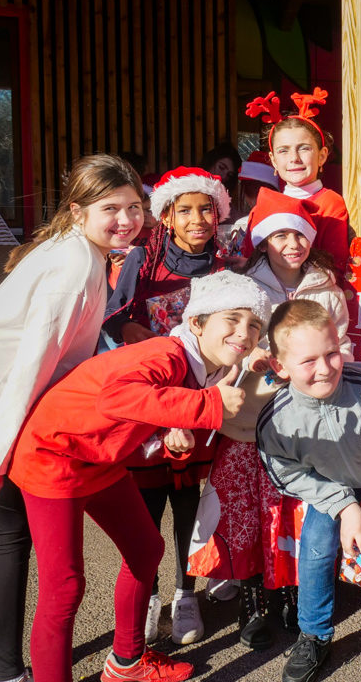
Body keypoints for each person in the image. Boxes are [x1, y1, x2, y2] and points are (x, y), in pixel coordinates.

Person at [0, 154, 144, 682]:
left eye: (135, 206)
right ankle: (5, 672)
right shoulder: (74, 265)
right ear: (78, 208)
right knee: (6, 535)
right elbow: (31, 367)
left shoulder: (78, 247)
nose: (127, 219)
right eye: (112, 208)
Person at [9, 271, 269, 682]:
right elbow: (116, 398)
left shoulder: (208, 366)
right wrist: (205, 405)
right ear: (197, 323)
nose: (245, 331)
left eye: (254, 324)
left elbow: (140, 418)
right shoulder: (166, 354)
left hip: (99, 458)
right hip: (53, 458)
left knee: (146, 549)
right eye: (232, 319)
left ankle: (126, 663)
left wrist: (171, 437)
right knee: (64, 588)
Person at [191, 189, 353, 650]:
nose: (291, 244)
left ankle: (293, 591)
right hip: (252, 408)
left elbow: (341, 342)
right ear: (263, 241)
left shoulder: (327, 285)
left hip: (306, 411)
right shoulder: (243, 284)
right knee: (248, 507)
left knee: (295, 506)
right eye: (279, 235)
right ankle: (254, 596)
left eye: (298, 234)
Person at [102, 165, 232, 645]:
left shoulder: (225, 266)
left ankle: (185, 593)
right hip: (150, 401)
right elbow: (114, 318)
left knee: (188, 504)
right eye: (186, 210)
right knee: (145, 505)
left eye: (207, 209)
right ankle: (148, 595)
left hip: (198, 397)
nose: (198, 219)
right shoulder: (141, 259)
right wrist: (130, 332)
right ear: (168, 216)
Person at [257, 299, 361, 682]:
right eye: (308, 361)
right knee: (315, 544)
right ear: (280, 367)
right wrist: (343, 505)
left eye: (332, 353)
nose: (325, 369)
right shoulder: (276, 420)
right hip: (328, 486)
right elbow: (285, 474)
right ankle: (314, 633)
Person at [246, 88, 350, 270]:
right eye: (283, 150)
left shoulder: (330, 204)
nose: (294, 158)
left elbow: (334, 265)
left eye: (304, 148)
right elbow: (248, 258)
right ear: (273, 161)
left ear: (322, 156)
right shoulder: (262, 207)